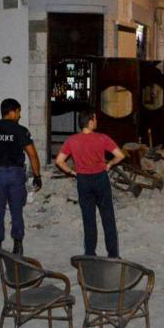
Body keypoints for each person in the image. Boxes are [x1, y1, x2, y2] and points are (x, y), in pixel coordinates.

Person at [55, 108, 127, 257]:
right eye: (95, 119)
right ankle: (113, 254)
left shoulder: (71, 140)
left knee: (88, 219)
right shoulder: (102, 138)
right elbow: (120, 155)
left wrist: (72, 172)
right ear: (90, 122)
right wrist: (109, 164)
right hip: (100, 179)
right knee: (108, 218)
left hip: (83, 181)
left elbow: (59, 161)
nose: (96, 121)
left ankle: (90, 253)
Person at [0, 98, 42, 255]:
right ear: (12, 111)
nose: (19, 116)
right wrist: (37, 175)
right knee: (16, 210)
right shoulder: (21, 131)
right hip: (15, 175)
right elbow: (33, 155)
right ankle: (18, 245)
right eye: (18, 112)